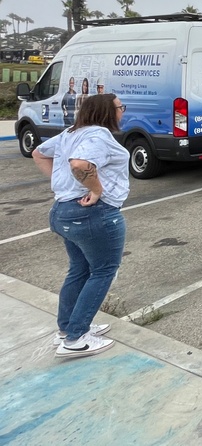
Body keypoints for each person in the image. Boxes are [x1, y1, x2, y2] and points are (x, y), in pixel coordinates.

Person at [32, 94, 128, 359]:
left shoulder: (70, 134)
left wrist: (64, 183)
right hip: (93, 214)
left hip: (64, 211)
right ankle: (76, 339)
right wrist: (95, 189)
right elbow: (80, 164)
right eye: (120, 107)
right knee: (104, 270)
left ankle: (68, 328)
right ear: (107, 112)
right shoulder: (97, 135)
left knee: (80, 269)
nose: (123, 111)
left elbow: (38, 153)